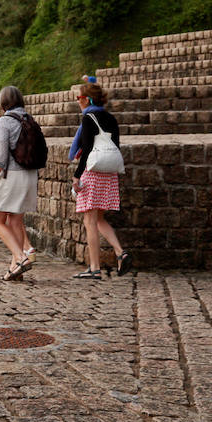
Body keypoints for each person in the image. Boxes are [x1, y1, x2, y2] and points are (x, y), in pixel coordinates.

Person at [68, 84, 133, 279]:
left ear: (87, 99)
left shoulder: (89, 117)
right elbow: (116, 146)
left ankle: (94, 268)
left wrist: (77, 175)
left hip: (93, 171)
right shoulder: (111, 118)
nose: (78, 101)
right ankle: (121, 252)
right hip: (109, 172)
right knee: (99, 219)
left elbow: (87, 149)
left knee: (89, 220)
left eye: (79, 97)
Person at [0, 86, 39, 282]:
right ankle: (14, 268)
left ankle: (21, 257)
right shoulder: (29, 119)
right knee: (15, 221)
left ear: (3, 102)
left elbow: (0, 158)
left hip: (11, 177)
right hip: (30, 175)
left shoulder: (4, 122)